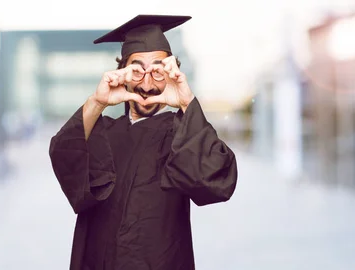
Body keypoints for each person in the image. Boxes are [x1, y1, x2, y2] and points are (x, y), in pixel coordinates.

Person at [48, 14, 238, 270]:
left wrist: (185, 102)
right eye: (137, 70)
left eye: (158, 72)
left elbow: (216, 183)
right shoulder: (101, 130)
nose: (147, 84)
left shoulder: (182, 132)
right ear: (122, 73)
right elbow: (63, 155)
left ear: (172, 74)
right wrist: (97, 102)